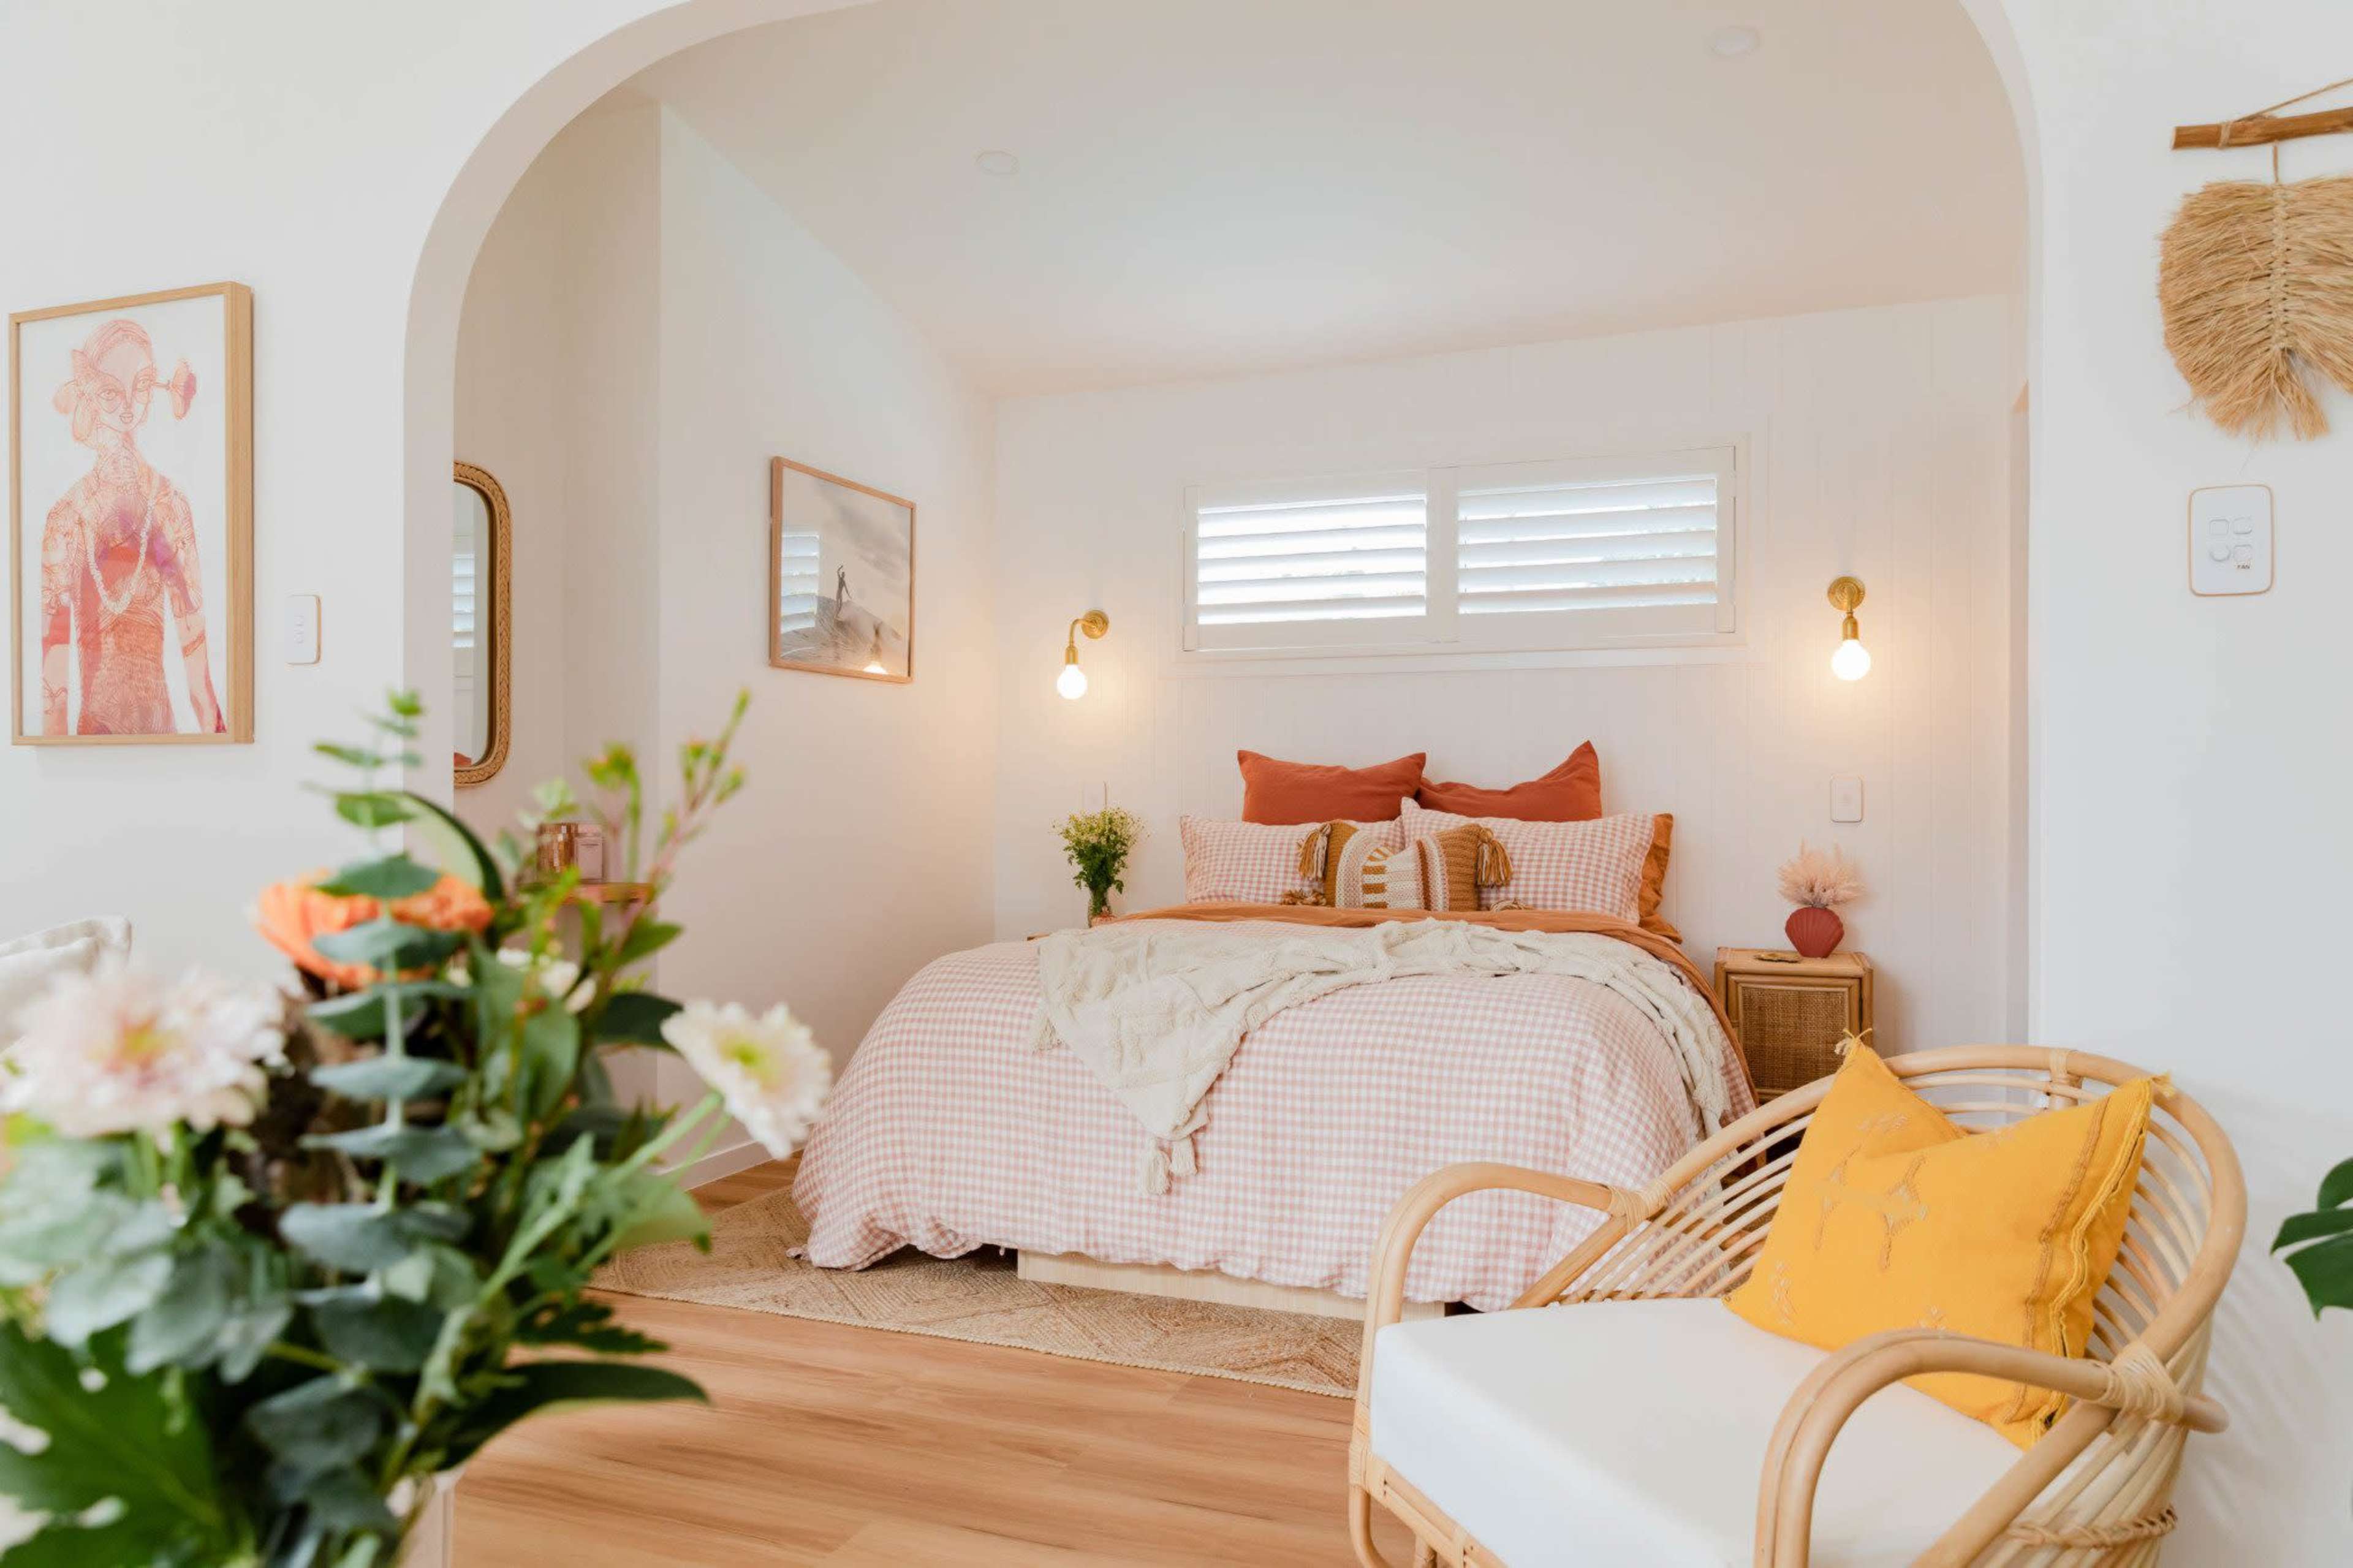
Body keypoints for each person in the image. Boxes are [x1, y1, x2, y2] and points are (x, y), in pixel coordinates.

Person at [39, 318, 223, 736]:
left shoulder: (169, 505)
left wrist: (223, 745)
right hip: (91, 738)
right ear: (89, 392)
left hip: (162, 733)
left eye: (140, 387)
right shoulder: (66, 517)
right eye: (110, 391)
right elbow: (54, 681)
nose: (128, 406)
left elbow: (199, 673)